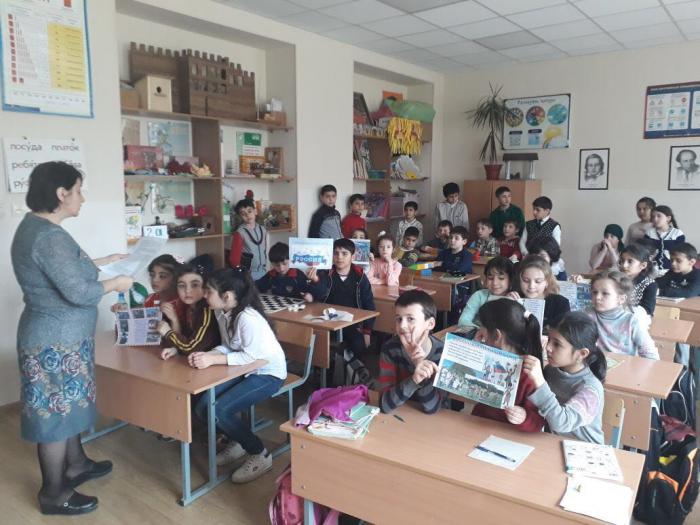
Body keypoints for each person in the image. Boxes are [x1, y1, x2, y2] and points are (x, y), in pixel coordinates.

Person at [11, 162, 133, 515]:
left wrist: (105, 261)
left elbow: (64, 270)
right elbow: (78, 291)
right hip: (54, 342)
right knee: (55, 415)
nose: (82, 197)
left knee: (70, 405)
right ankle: (53, 493)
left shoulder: (37, 227)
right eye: (78, 190)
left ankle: (76, 465)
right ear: (61, 193)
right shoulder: (48, 236)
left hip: (62, 338)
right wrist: (116, 283)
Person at [189, 268, 286, 483]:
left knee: (219, 410)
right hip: (245, 369)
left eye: (208, 291)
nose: (204, 295)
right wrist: (209, 355)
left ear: (227, 296)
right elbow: (229, 346)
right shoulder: (222, 312)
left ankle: (260, 453)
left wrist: (213, 360)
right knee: (202, 406)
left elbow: (251, 356)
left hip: (268, 374)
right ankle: (239, 440)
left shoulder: (247, 318)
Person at [523, 312, 606, 444]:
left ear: (582, 354)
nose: (548, 347)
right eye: (549, 340)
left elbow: (561, 423)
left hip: (585, 451)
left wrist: (540, 382)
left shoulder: (591, 389)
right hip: (554, 444)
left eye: (557, 344)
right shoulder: (551, 371)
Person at [471, 299, 546, 432]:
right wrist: (475, 348)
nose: (480, 334)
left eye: (482, 330)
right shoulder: (487, 357)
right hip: (479, 425)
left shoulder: (529, 373)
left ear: (497, 336)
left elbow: (539, 422)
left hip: (509, 434)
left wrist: (524, 417)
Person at [378, 291, 444, 414]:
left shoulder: (442, 353)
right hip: (401, 412)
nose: (402, 325)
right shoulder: (390, 349)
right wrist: (413, 380)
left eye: (410, 319)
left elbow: (433, 408)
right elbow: (385, 405)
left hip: (432, 420)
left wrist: (421, 369)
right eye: (399, 319)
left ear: (430, 324)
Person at [309, 238, 376, 358]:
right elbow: (318, 297)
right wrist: (315, 280)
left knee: (358, 345)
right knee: (317, 346)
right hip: (326, 322)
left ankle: (352, 369)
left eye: (344, 253)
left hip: (352, 324)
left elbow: (369, 304)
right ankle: (323, 368)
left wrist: (367, 332)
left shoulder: (360, 276)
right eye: (336, 253)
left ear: (352, 257)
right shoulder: (324, 273)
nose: (339, 257)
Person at [587, 270, 658, 359]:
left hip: (625, 366)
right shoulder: (586, 316)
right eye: (594, 292)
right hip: (594, 364)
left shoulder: (632, 321)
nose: (597, 297)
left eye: (605, 293)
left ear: (621, 299)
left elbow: (651, 355)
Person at [158, 262, 221, 359]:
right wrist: (174, 320)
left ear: (205, 287)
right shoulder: (189, 306)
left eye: (195, 285)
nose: (187, 291)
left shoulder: (207, 310)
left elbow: (191, 347)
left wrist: (168, 332)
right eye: (182, 286)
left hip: (212, 361)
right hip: (197, 359)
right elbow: (185, 339)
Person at [509, 254, 570, 333]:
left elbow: (564, 335)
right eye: (526, 280)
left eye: (538, 281)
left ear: (547, 282)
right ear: (520, 280)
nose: (531, 286)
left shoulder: (560, 304)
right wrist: (506, 304)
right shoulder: (514, 300)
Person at [458, 256, 514, 330]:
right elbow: (463, 320)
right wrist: (482, 331)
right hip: (476, 334)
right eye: (490, 278)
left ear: (511, 280)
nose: (494, 283)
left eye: (501, 278)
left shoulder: (514, 299)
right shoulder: (479, 296)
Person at [229, 198, 268, 280]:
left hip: (263, 271)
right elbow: (234, 259)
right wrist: (241, 273)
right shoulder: (240, 233)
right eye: (243, 214)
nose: (247, 215)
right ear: (240, 217)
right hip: (248, 274)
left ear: (255, 211)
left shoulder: (263, 230)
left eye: (249, 211)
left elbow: (264, 250)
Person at [644, 205, 686, 274]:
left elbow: (681, 253)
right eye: (653, 216)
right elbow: (645, 251)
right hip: (652, 270)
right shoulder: (649, 233)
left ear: (668, 218)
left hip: (671, 270)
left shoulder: (677, 233)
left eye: (659, 216)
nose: (655, 219)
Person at [620, 243, 657, 318]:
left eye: (630, 261)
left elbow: (647, 310)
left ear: (643, 265)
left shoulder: (650, 285)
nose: (624, 265)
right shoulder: (615, 280)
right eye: (622, 261)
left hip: (636, 319)